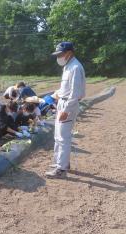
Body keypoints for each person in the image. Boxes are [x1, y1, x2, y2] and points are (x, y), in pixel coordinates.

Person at [46, 41, 85, 178]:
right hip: (62, 103)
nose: (59, 57)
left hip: (68, 105)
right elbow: (67, 88)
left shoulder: (75, 67)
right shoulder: (68, 66)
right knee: (58, 136)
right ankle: (60, 162)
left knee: (63, 138)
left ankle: (61, 170)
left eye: (60, 54)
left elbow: (75, 93)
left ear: (69, 53)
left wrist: (66, 110)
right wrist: (57, 94)